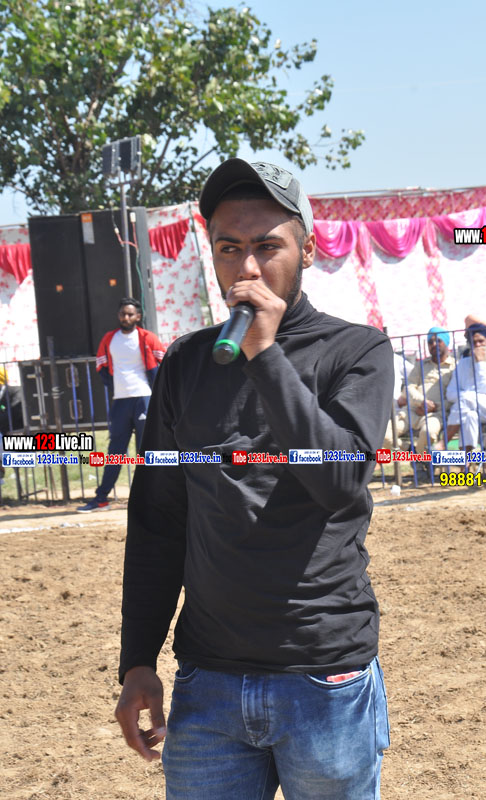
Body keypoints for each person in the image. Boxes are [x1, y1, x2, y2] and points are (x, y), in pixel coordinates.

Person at [114, 158, 394, 800]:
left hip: (323, 677)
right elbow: (158, 523)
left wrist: (264, 355)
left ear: (308, 250)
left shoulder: (357, 351)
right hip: (209, 682)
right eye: (229, 248)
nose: (247, 268)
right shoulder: (187, 362)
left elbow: (339, 480)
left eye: (268, 247)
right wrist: (137, 661)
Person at [77, 298, 166, 512]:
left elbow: (163, 361)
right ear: (118, 316)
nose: (126, 317)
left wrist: (157, 391)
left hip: (144, 399)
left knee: (147, 451)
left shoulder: (147, 338)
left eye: (130, 314)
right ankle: (101, 498)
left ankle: (151, 499)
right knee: (115, 452)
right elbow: (101, 364)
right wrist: (113, 385)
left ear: (138, 317)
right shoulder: (109, 339)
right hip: (120, 402)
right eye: (122, 314)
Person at [444, 323, 486, 457]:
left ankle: (444, 441)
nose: (478, 345)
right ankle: (466, 461)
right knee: (470, 415)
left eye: (481, 341)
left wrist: (480, 363)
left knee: (467, 399)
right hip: (467, 408)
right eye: (474, 342)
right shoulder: (463, 364)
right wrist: (468, 395)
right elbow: (450, 394)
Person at [385, 327, 455, 452]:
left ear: (446, 342)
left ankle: (420, 458)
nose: (434, 344)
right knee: (384, 434)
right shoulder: (421, 365)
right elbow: (408, 388)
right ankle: (411, 452)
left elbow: (455, 396)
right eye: (430, 342)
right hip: (412, 411)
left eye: (438, 341)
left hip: (436, 413)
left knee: (428, 433)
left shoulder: (454, 367)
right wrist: (422, 402)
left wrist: (434, 406)